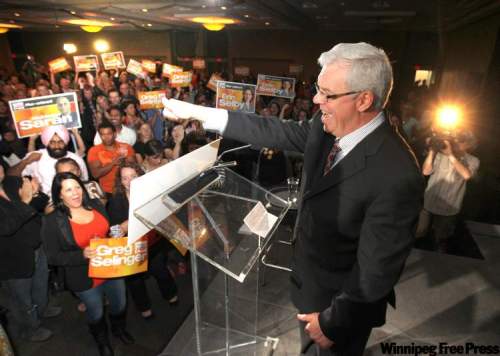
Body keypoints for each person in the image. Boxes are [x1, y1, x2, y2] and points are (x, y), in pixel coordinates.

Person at [162, 42, 424, 356]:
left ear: (364, 99)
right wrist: (199, 113)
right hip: (309, 285)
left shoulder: (397, 173)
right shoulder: (326, 125)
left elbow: (375, 272)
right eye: (317, 89)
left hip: (337, 307)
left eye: (327, 94)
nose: (316, 100)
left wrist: (331, 323)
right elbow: (276, 130)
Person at [41, 172, 134, 356]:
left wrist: (116, 233)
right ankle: (102, 341)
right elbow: (52, 257)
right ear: (59, 194)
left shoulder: (96, 205)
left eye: (77, 187)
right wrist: (81, 254)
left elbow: (108, 231)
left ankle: (118, 329)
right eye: (68, 189)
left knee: (120, 304)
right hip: (83, 277)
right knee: (96, 312)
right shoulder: (52, 221)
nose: (75, 193)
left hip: (110, 267)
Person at [107, 162, 178, 319]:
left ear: (140, 176)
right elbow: (112, 231)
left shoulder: (151, 194)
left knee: (161, 271)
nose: (130, 181)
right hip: (132, 248)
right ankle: (144, 307)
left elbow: (165, 216)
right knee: (135, 282)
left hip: (153, 243)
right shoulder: (115, 201)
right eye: (125, 178)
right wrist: (121, 228)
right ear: (120, 181)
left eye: (133, 176)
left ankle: (171, 295)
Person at [0, 167, 61, 342]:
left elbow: (41, 202)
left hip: (36, 247)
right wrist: (26, 200)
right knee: (21, 298)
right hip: (12, 259)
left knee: (41, 283)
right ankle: (30, 328)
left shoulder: (12, 182)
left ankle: (41, 308)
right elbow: (6, 227)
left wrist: (36, 191)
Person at [416, 131, 479, 252]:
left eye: (462, 141)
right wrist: (432, 151)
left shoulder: (473, 160)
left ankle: (439, 261)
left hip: (449, 205)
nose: (458, 143)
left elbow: (466, 175)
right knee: (419, 231)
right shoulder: (440, 155)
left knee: (441, 238)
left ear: (469, 145)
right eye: (457, 140)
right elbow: (425, 171)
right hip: (429, 200)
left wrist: (451, 156)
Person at [8, 125, 88, 196]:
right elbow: (10, 175)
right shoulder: (36, 156)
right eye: (52, 142)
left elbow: (85, 181)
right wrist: (25, 161)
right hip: (46, 204)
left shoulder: (76, 159)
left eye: (60, 142)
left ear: (66, 142)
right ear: (46, 143)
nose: (57, 146)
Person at [87, 121, 135, 197]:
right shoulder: (94, 151)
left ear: (114, 134)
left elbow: (135, 167)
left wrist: (124, 161)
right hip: (108, 192)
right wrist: (113, 163)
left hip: (129, 188)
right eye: (103, 134)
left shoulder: (126, 147)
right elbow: (95, 174)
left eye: (109, 134)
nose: (106, 137)